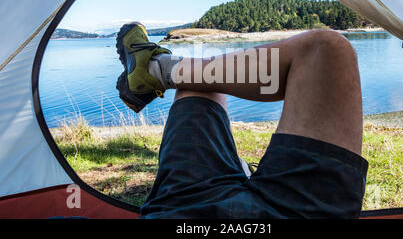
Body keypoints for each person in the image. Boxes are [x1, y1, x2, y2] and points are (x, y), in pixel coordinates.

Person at [115, 22, 368, 219]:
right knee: (326, 50)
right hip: (292, 211)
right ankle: (157, 69)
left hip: (182, 210)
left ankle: (155, 71)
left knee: (198, 87)